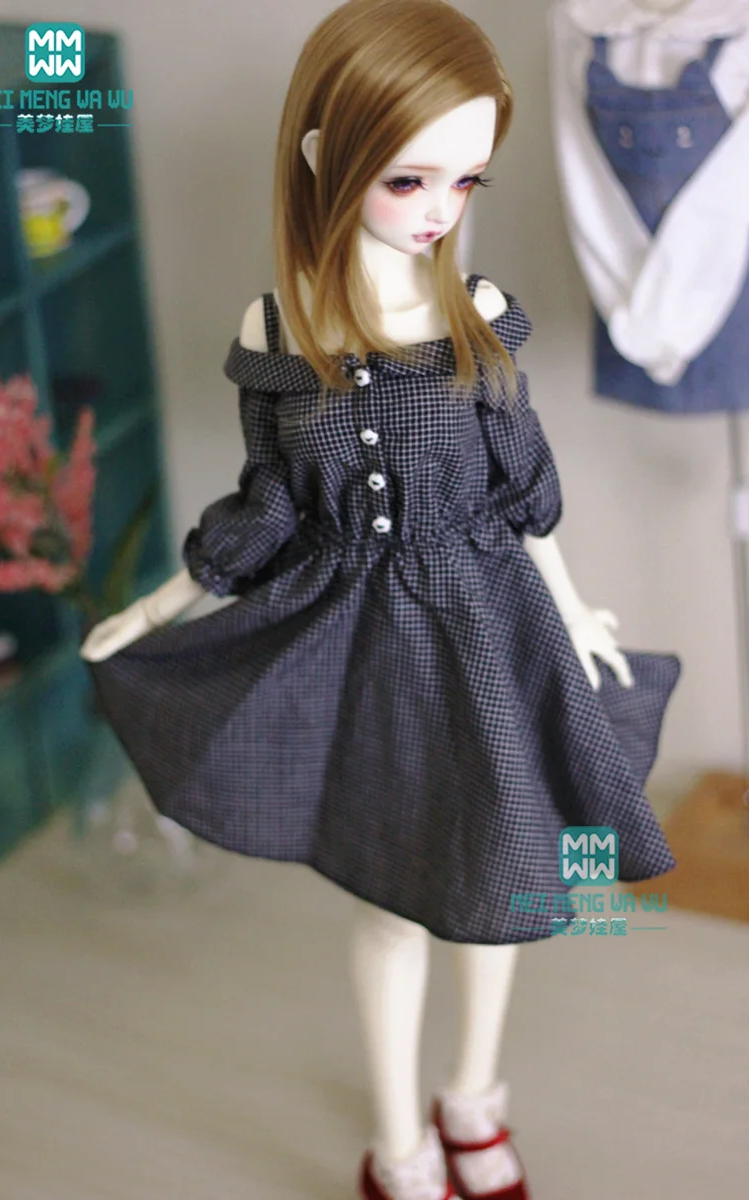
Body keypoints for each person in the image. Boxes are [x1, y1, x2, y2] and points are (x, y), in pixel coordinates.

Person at [82, 3, 680, 1197]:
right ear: (325, 155)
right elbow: (267, 503)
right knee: (395, 898)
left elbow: (522, 496)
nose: (438, 208)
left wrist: (572, 613)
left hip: (486, 632)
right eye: (409, 177)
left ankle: (474, 1099)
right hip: (358, 650)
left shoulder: (476, 318)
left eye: (463, 179)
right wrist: (160, 606)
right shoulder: (275, 332)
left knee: (503, 869)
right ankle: (399, 1142)